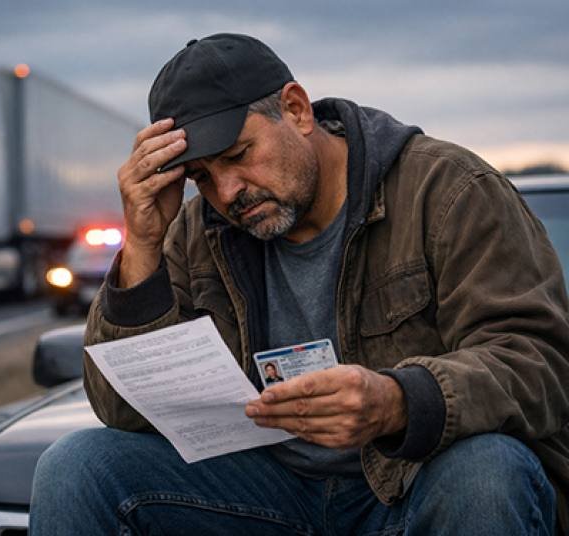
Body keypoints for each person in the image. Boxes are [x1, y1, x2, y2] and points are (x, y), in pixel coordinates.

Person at [31, 33, 569, 534]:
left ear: (296, 109)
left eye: (238, 155)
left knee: (487, 471)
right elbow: (124, 411)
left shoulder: (447, 190)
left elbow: (539, 363)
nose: (228, 191)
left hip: (413, 482)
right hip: (268, 489)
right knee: (77, 466)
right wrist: (143, 243)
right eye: (201, 177)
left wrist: (399, 400)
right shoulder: (195, 230)